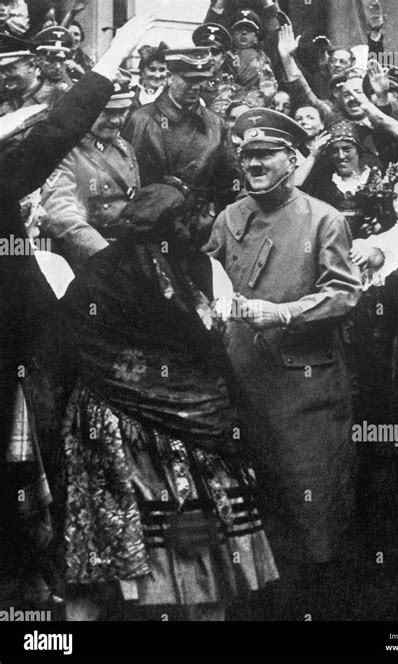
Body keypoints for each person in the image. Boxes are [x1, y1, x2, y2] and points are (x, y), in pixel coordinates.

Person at [54, 180, 278, 621]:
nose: (193, 225)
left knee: (116, 550)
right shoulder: (199, 268)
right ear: (178, 223)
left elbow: (67, 339)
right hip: (182, 427)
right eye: (187, 218)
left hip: (112, 423)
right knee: (199, 549)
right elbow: (218, 336)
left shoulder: (100, 269)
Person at [0, 10, 163, 607]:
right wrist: (114, 53)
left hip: (24, 331)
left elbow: (51, 130)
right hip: (16, 341)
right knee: (38, 445)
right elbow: (56, 133)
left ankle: (36, 573)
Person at [206, 108, 362, 620]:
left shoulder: (323, 218)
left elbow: (344, 295)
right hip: (241, 385)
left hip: (304, 394)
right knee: (253, 513)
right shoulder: (228, 218)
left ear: (293, 161)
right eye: (246, 154)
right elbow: (207, 281)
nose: (252, 163)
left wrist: (286, 312)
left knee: (310, 511)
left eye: (265, 154)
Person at [122, 47, 240, 246]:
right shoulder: (141, 120)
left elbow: (231, 181)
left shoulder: (215, 124)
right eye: (190, 79)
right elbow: (128, 182)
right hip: (154, 230)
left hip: (201, 231)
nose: (197, 86)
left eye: (201, 79)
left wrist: (213, 213)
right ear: (169, 77)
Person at [41, 80, 140, 271]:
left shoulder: (124, 147)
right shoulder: (66, 151)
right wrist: (106, 256)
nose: (116, 120)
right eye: (107, 112)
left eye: (122, 112)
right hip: (88, 256)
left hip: (125, 248)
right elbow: (61, 214)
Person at [128, 42, 169, 115]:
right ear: (142, 72)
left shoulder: (171, 96)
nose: (157, 75)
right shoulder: (131, 95)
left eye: (162, 70)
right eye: (152, 70)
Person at [33, 25, 74, 93]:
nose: (58, 66)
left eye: (61, 61)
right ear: (38, 60)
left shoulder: (72, 90)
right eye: (51, 60)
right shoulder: (28, 83)